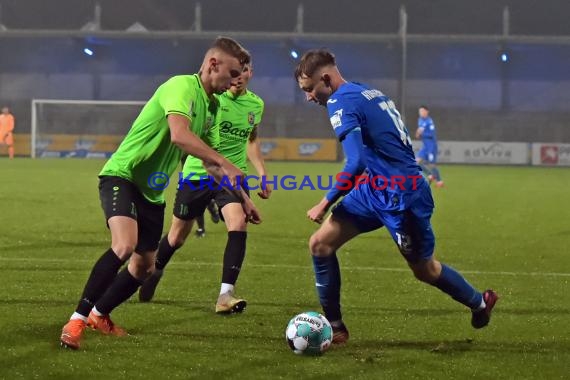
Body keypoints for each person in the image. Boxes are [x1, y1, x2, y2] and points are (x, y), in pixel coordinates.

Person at [60, 37, 260, 350]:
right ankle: (76, 319)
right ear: (213, 64)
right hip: (123, 175)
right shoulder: (181, 86)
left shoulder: (214, 107)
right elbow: (180, 136)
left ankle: (100, 314)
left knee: (144, 268)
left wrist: (244, 199)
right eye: (231, 72)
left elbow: (212, 165)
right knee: (123, 245)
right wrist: (223, 161)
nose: (235, 80)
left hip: (152, 193)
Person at [294, 49, 498, 344]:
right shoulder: (365, 91)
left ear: (325, 78)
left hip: (402, 198)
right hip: (375, 188)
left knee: (425, 270)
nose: (309, 97)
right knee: (320, 245)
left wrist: (324, 203)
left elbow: (355, 163)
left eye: (310, 89)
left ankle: (480, 302)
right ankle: (335, 328)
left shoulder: (340, 101)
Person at [138, 61, 270, 314]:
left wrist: (262, 173)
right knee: (176, 237)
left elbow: (251, 139)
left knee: (239, 222)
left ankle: (225, 295)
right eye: (235, 72)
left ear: (251, 73)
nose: (239, 77)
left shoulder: (256, 104)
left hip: (233, 177)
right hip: (199, 173)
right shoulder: (213, 100)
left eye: (244, 71)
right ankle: (154, 271)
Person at [415, 105, 443, 187]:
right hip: (425, 146)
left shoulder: (429, 121)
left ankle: (439, 181)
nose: (421, 113)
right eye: (420, 111)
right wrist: (419, 133)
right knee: (416, 162)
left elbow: (431, 135)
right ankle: (430, 174)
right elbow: (418, 133)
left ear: (427, 112)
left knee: (432, 165)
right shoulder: (420, 120)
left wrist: (421, 133)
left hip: (431, 146)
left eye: (422, 111)